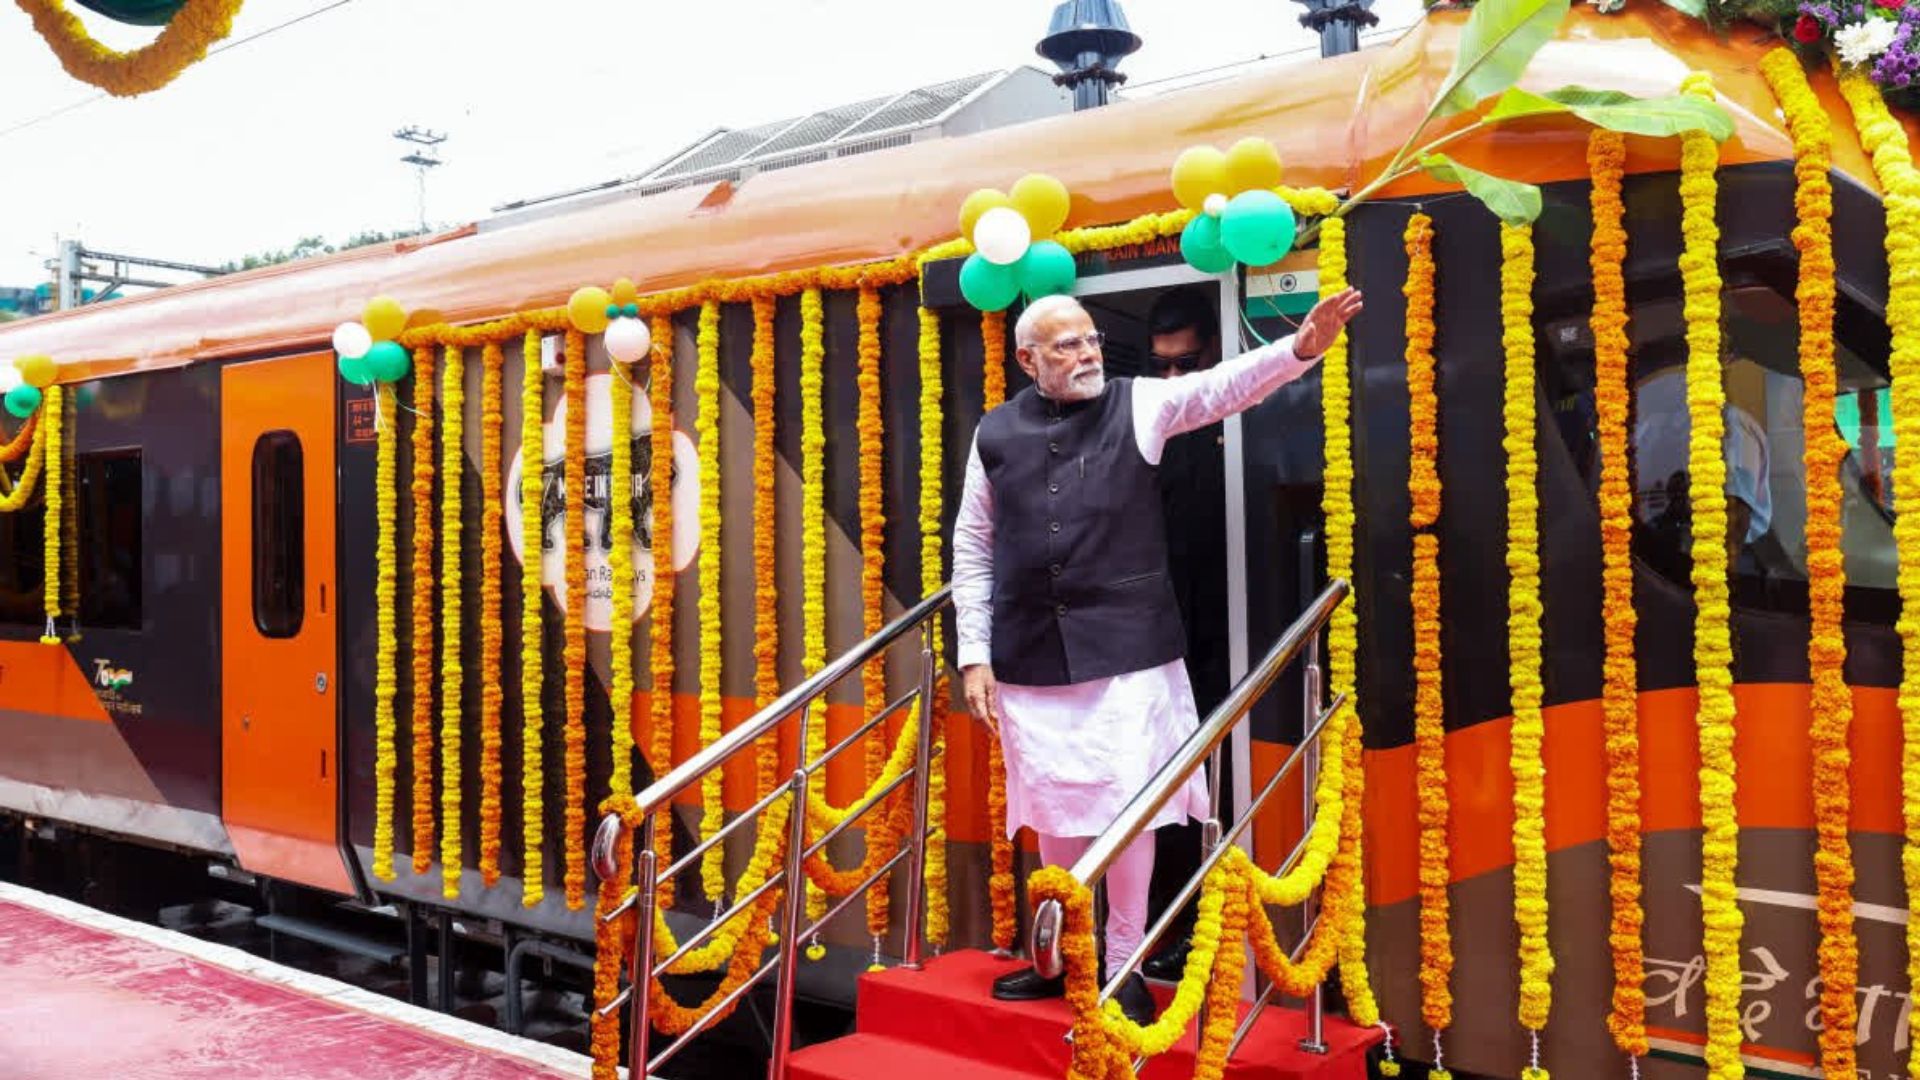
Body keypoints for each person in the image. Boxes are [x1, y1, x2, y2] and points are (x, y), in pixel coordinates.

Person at [953, 287, 1364, 1024]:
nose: (1085, 354)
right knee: (1055, 812)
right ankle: (1061, 959)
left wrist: (1299, 349)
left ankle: (1121, 966)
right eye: (1065, 346)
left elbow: (1220, 388)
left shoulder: (1139, 403)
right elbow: (974, 549)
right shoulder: (994, 434)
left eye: (1089, 341)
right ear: (1027, 359)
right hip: (1029, 659)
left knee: (1132, 815)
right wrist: (974, 655)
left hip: (1131, 658)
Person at [1138, 287, 1229, 983]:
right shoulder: (1151, 434)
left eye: (1189, 363)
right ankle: (1172, 926)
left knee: (1210, 792)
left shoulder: (1245, 421)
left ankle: (1201, 925)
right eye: (1162, 367)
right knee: (1170, 793)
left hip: (1235, 637)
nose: (1174, 381)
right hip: (1165, 642)